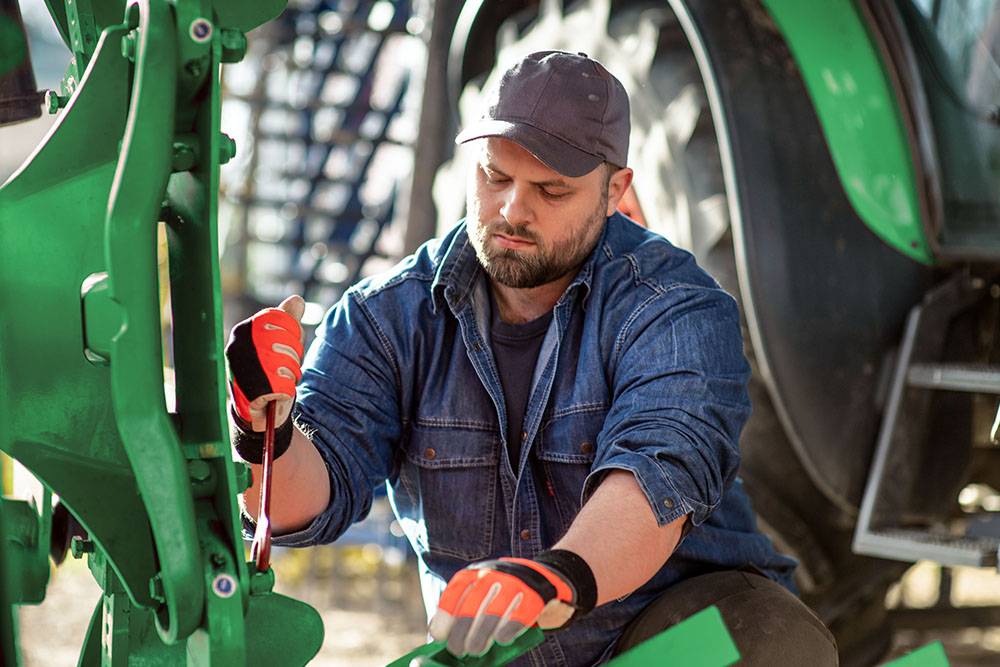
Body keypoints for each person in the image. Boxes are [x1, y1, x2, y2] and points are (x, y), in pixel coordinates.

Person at [225, 51, 838, 665]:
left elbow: (658, 476)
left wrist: (555, 578)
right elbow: (293, 507)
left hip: (668, 639)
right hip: (493, 652)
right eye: (495, 177)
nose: (514, 211)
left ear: (615, 190)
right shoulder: (385, 319)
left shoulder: (674, 308)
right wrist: (263, 426)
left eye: (551, 190)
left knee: (772, 642)